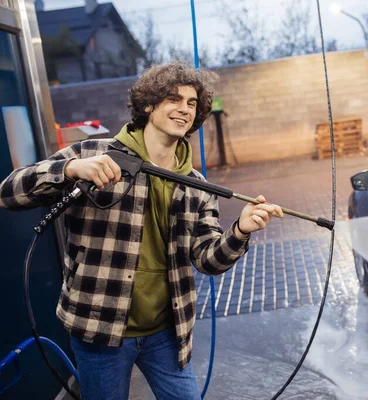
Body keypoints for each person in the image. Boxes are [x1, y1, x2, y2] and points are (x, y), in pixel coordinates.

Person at [0, 62, 283, 400]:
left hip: (167, 331)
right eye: (172, 99)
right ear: (148, 104)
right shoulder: (93, 154)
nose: (184, 109)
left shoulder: (196, 185)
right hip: (99, 328)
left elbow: (208, 260)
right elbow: (8, 192)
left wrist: (240, 230)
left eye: (192, 103)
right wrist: (71, 169)